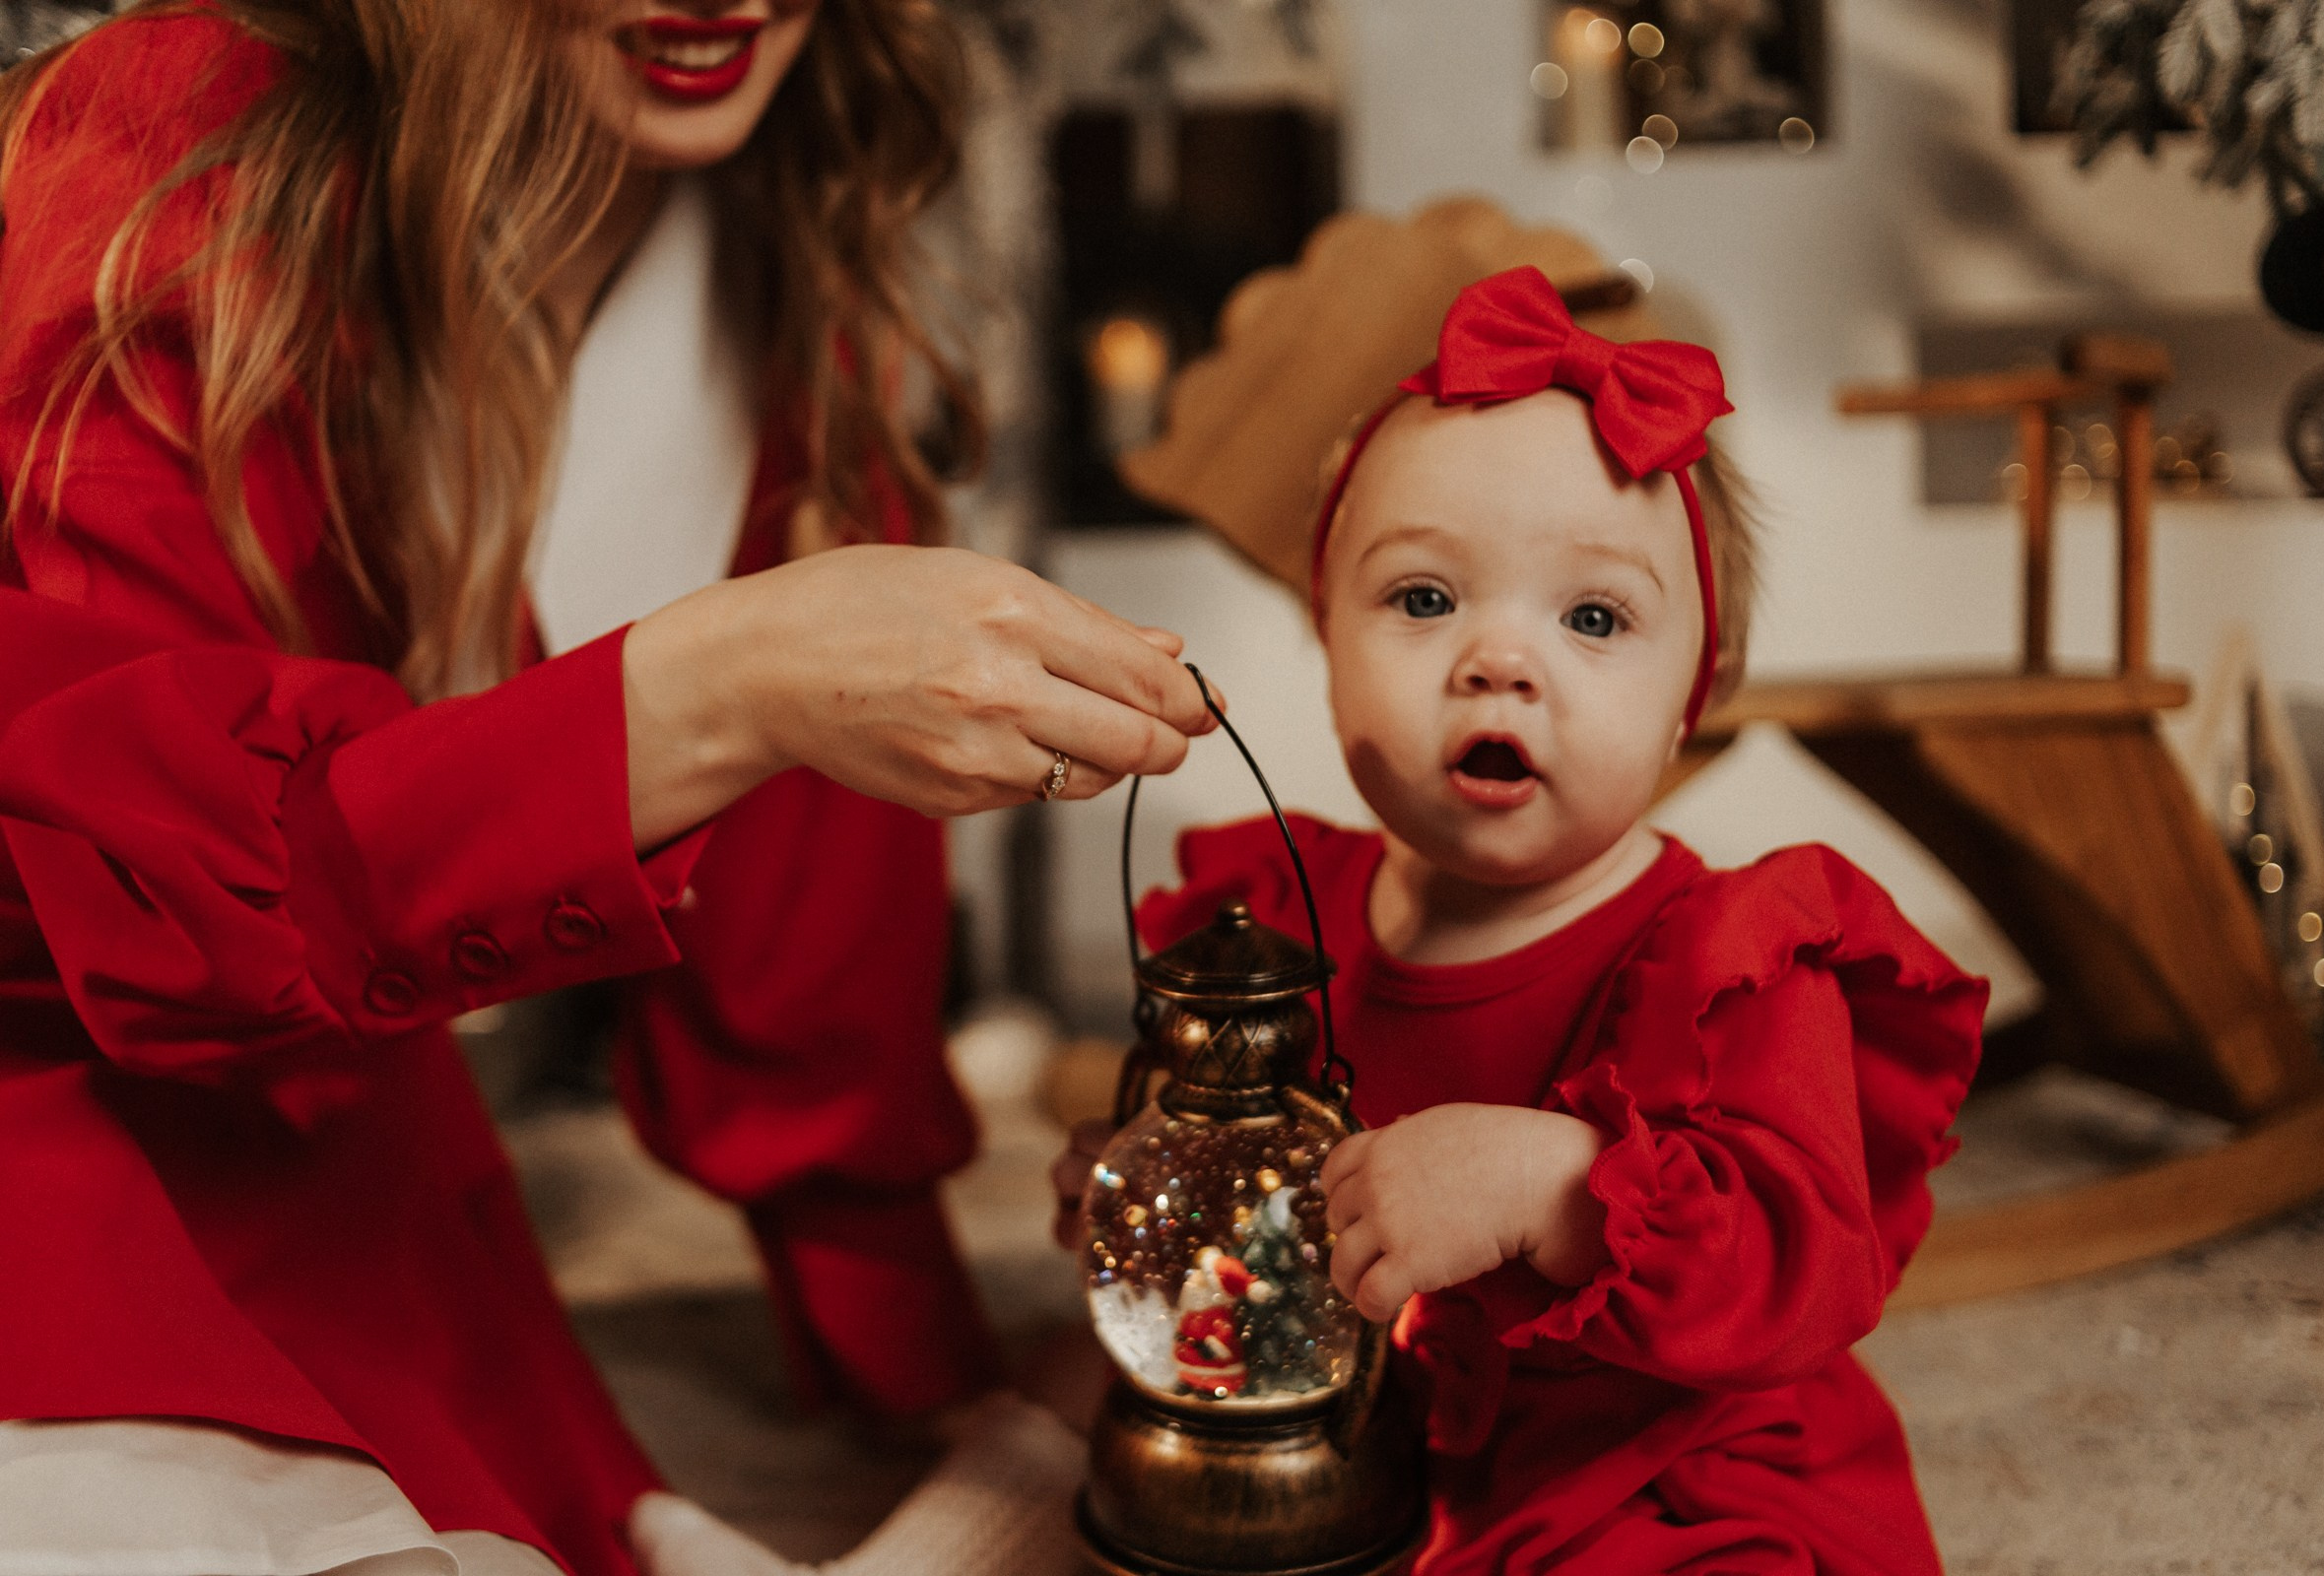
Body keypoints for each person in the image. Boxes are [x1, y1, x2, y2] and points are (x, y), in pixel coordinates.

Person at [0, 2, 1214, 1573]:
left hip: (352, 1165)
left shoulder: (775, 267)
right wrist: (721, 681)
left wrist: (950, 1386)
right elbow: (158, 892)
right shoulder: (186, 133)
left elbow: (812, 965)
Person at [1055, 266, 1986, 1573]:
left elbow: (1803, 1265)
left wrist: (1559, 1190)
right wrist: (1144, 1179)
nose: (1499, 659)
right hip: (1366, 1444)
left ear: (1692, 697)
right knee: (1119, 1484)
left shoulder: (1732, 966)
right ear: (1329, 643)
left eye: (1593, 617)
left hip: (1656, 1461)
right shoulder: (1280, 913)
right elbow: (1224, 1147)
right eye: (1424, 599)